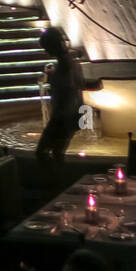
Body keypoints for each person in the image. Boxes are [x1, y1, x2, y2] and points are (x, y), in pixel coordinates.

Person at [35, 25, 82, 182]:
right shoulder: (72, 61)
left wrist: (53, 79)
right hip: (73, 114)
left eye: (46, 47)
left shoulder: (63, 65)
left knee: (42, 152)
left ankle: (58, 183)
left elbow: (66, 89)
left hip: (62, 116)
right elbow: (78, 87)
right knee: (57, 152)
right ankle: (60, 182)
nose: (45, 51)